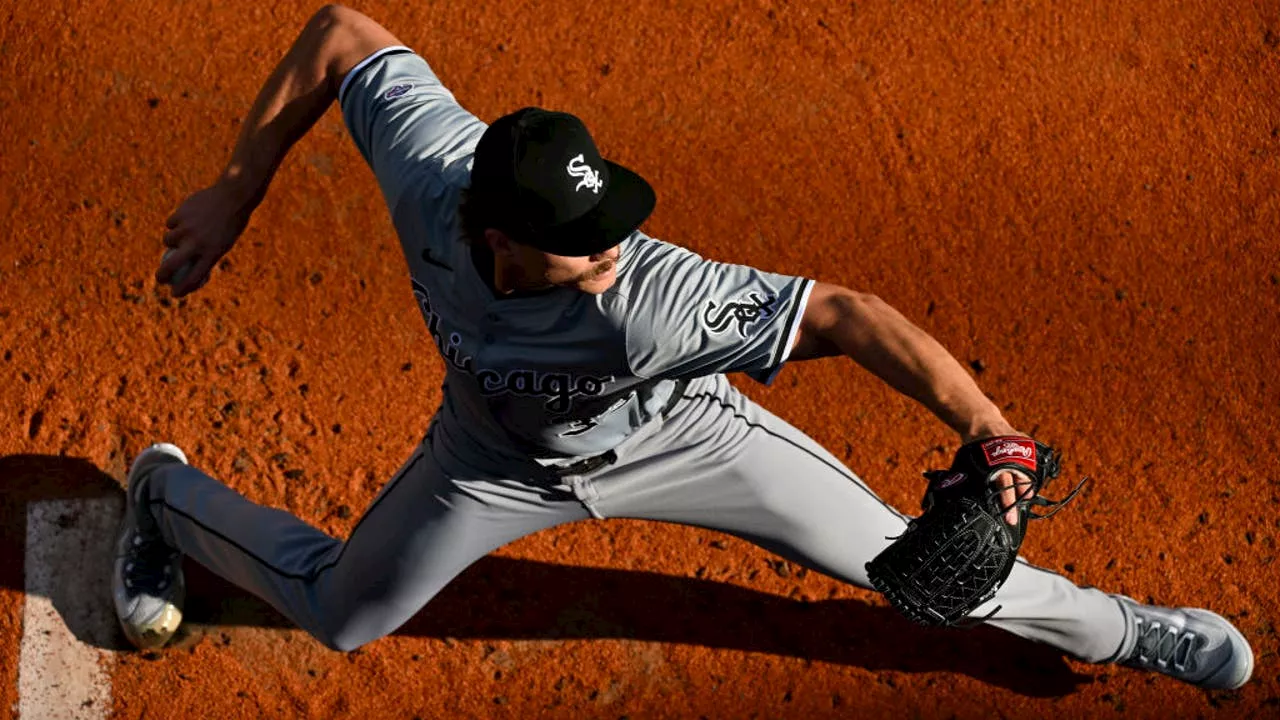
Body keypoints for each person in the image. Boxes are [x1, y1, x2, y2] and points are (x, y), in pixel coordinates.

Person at [116, 4, 1253, 691]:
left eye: (612, 223)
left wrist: (988, 434)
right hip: (491, 464)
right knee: (344, 616)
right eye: (583, 247)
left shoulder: (657, 298)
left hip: (683, 443)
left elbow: (842, 316)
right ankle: (162, 496)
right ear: (498, 237)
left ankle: (1130, 633)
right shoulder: (434, 177)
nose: (617, 250)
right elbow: (340, 36)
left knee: (923, 573)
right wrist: (236, 187)